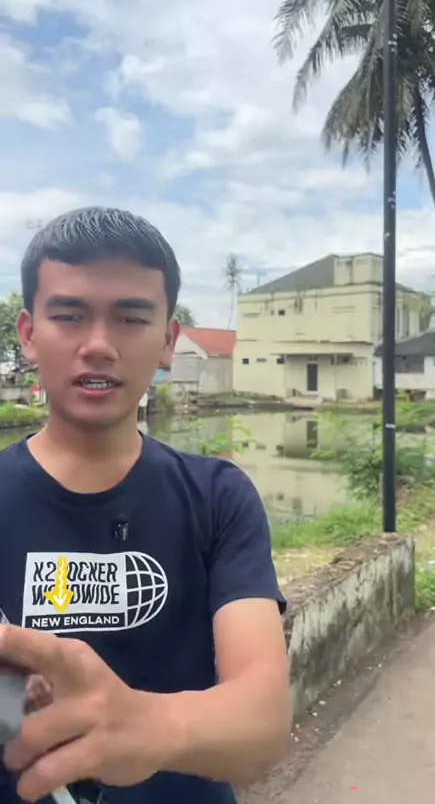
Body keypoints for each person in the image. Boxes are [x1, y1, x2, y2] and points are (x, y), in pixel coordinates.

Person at [0, 207, 291, 804]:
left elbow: (262, 725)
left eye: (131, 318)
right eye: (69, 316)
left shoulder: (217, 496)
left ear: (167, 340)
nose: (98, 345)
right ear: (28, 335)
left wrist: (149, 728)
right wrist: (11, 697)